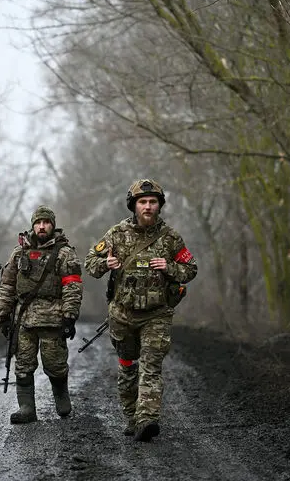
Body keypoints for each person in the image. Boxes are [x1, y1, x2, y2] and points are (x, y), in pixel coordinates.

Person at [84, 179, 198, 442]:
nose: (148, 206)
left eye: (153, 202)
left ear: (159, 205)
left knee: (151, 365)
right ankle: (132, 417)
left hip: (156, 314)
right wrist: (106, 263)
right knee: (127, 366)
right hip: (122, 314)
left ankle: (147, 419)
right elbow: (90, 262)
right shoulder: (116, 234)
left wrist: (169, 267)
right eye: (143, 202)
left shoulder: (171, 238)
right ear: (133, 205)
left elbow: (191, 269)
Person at [0, 206, 83, 423]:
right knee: (23, 365)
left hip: (53, 319)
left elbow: (72, 287)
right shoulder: (19, 252)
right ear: (32, 225)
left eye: (46, 222)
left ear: (52, 225)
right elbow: (7, 286)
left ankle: (61, 397)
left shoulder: (64, 252)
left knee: (55, 364)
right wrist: (3, 315)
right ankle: (26, 409)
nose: (42, 226)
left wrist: (69, 316)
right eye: (38, 222)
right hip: (23, 319)